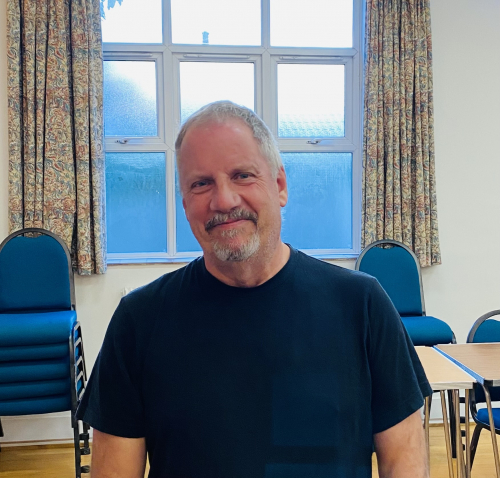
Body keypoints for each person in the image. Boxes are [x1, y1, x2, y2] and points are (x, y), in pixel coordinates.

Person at [77, 101, 432, 478]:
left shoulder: (362, 305)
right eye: (201, 183)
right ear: (185, 203)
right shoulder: (138, 321)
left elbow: (403, 461)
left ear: (279, 185)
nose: (224, 200)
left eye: (242, 175)